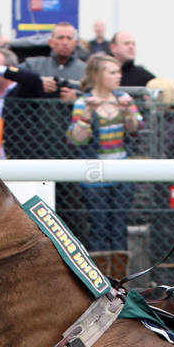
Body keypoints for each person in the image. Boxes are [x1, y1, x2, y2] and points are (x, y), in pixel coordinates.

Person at [65, 53, 141, 252]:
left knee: (119, 227)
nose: (119, 76)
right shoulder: (83, 102)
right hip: (95, 173)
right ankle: (99, 277)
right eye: (113, 72)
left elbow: (135, 129)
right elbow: (75, 138)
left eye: (119, 72)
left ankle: (120, 276)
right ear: (98, 75)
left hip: (122, 170)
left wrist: (127, 112)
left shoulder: (124, 99)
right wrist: (88, 113)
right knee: (97, 227)